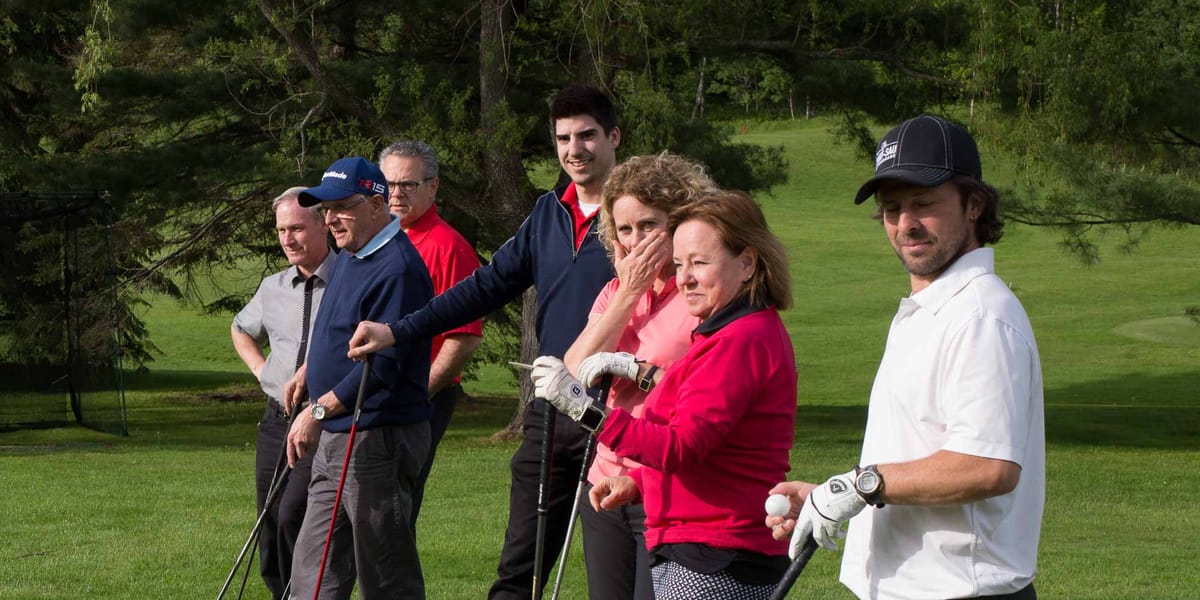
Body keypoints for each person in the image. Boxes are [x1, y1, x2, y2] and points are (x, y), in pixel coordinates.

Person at [345, 84, 619, 599]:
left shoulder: (639, 216)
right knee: (520, 567)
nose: (574, 149)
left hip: (618, 409)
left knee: (617, 570)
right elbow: (485, 287)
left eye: (587, 136)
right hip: (552, 406)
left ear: (613, 137)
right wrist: (399, 330)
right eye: (563, 138)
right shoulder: (548, 213)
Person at [767, 114, 1045, 600]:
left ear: (974, 204)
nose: (905, 224)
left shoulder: (980, 316)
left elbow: (988, 466)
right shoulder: (933, 308)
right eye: (892, 208)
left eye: (924, 204)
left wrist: (860, 486)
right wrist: (831, 495)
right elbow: (915, 456)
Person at [533, 190, 798, 599]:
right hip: (702, 544)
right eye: (679, 263)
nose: (685, 277)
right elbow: (714, 447)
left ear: (747, 263)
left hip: (715, 553)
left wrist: (583, 408)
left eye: (700, 263)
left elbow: (680, 447)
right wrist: (640, 482)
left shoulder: (740, 339)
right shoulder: (726, 333)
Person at [560, 152, 717, 599]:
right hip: (605, 477)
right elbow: (574, 372)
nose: (635, 241)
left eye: (649, 226)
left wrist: (639, 371)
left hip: (668, 481)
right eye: (625, 229)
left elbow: (706, 390)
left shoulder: (700, 295)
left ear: (679, 222)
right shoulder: (615, 291)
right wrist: (629, 293)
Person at [283, 156, 434, 599]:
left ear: (375, 204)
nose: (330, 219)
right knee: (314, 569)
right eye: (326, 209)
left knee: (385, 574)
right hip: (340, 433)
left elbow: (381, 369)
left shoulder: (398, 269)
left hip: (378, 439)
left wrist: (316, 411)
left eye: (341, 208)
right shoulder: (351, 254)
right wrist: (310, 371)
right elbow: (339, 329)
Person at [230, 187, 335, 600]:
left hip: (322, 419)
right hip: (276, 419)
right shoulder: (272, 286)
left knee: (295, 513)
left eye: (297, 228)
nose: (288, 239)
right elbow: (241, 329)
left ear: (323, 225)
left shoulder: (348, 279)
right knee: (270, 520)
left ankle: (305, 593)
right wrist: (263, 372)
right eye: (281, 230)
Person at [379, 140, 483, 531]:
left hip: (420, 398)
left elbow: (464, 337)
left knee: (393, 510)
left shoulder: (448, 247)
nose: (396, 194)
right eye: (389, 184)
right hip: (375, 395)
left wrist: (418, 393)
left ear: (433, 186)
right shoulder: (379, 240)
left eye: (408, 184)